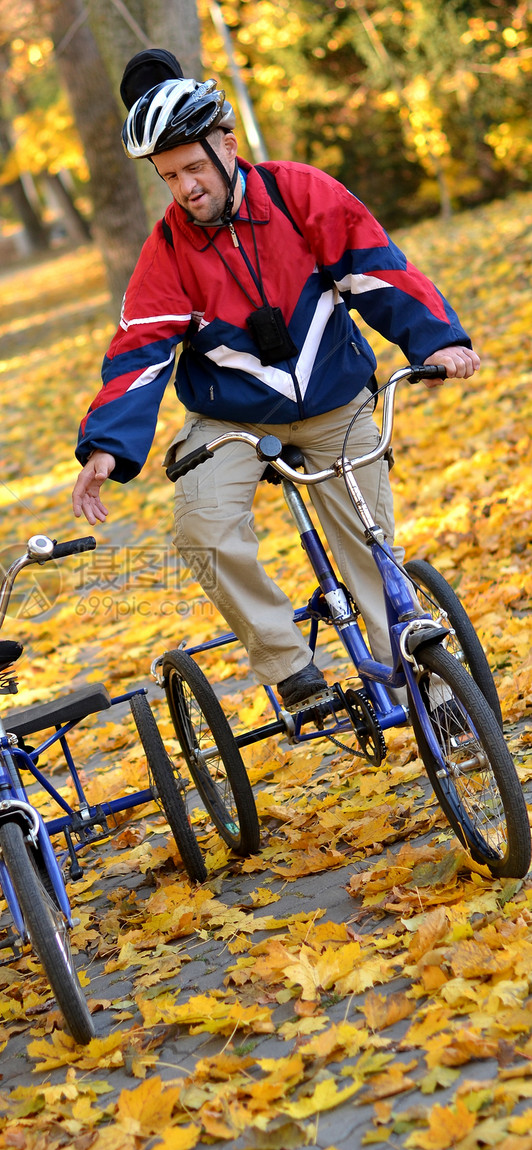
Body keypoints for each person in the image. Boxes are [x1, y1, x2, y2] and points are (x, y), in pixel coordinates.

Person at [72, 51, 480, 710]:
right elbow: (139, 352)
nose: (186, 188)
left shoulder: (299, 193)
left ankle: (433, 693)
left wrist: (440, 341)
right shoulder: (168, 250)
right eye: (169, 175)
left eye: (195, 167)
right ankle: (290, 667)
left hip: (333, 401)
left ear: (228, 144)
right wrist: (105, 445)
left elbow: (379, 270)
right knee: (202, 526)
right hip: (232, 420)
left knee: (369, 542)